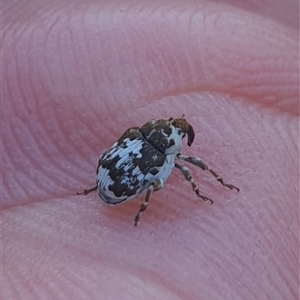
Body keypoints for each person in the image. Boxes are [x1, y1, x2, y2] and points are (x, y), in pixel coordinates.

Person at [2, 0, 298, 299]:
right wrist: (200, 187)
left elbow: (114, 156)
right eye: (179, 130)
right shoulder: (161, 153)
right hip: (118, 188)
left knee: (166, 174)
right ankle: (142, 207)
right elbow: (186, 168)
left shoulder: (137, 134)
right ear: (169, 133)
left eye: (178, 128)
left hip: (111, 175)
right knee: (179, 174)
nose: (181, 132)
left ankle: (104, 192)